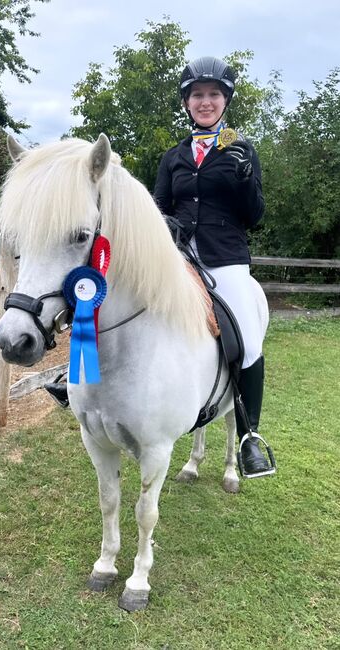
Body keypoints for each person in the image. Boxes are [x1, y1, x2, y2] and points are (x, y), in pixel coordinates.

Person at [154, 56, 273, 478]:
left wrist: (245, 180)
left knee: (248, 336)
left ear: (225, 101)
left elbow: (255, 215)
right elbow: (160, 209)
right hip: (180, 260)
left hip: (226, 260)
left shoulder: (243, 150)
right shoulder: (173, 157)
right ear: (187, 102)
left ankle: (249, 437)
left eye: (213, 95)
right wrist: (167, 224)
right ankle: (83, 384)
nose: (205, 101)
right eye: (198, 95)